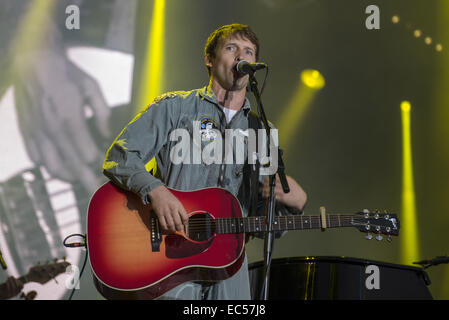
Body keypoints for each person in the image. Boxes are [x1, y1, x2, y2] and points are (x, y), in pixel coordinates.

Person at [103, 23, 307, 300]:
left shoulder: (262, 130)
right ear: (209, 59)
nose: (241, 57)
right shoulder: (174, 108)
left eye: (248, 51)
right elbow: (120, 156)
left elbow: (262, 221)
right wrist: (156, 191)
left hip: (228, 266)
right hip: (169, 255)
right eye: (231, 48)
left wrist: (291, 204)